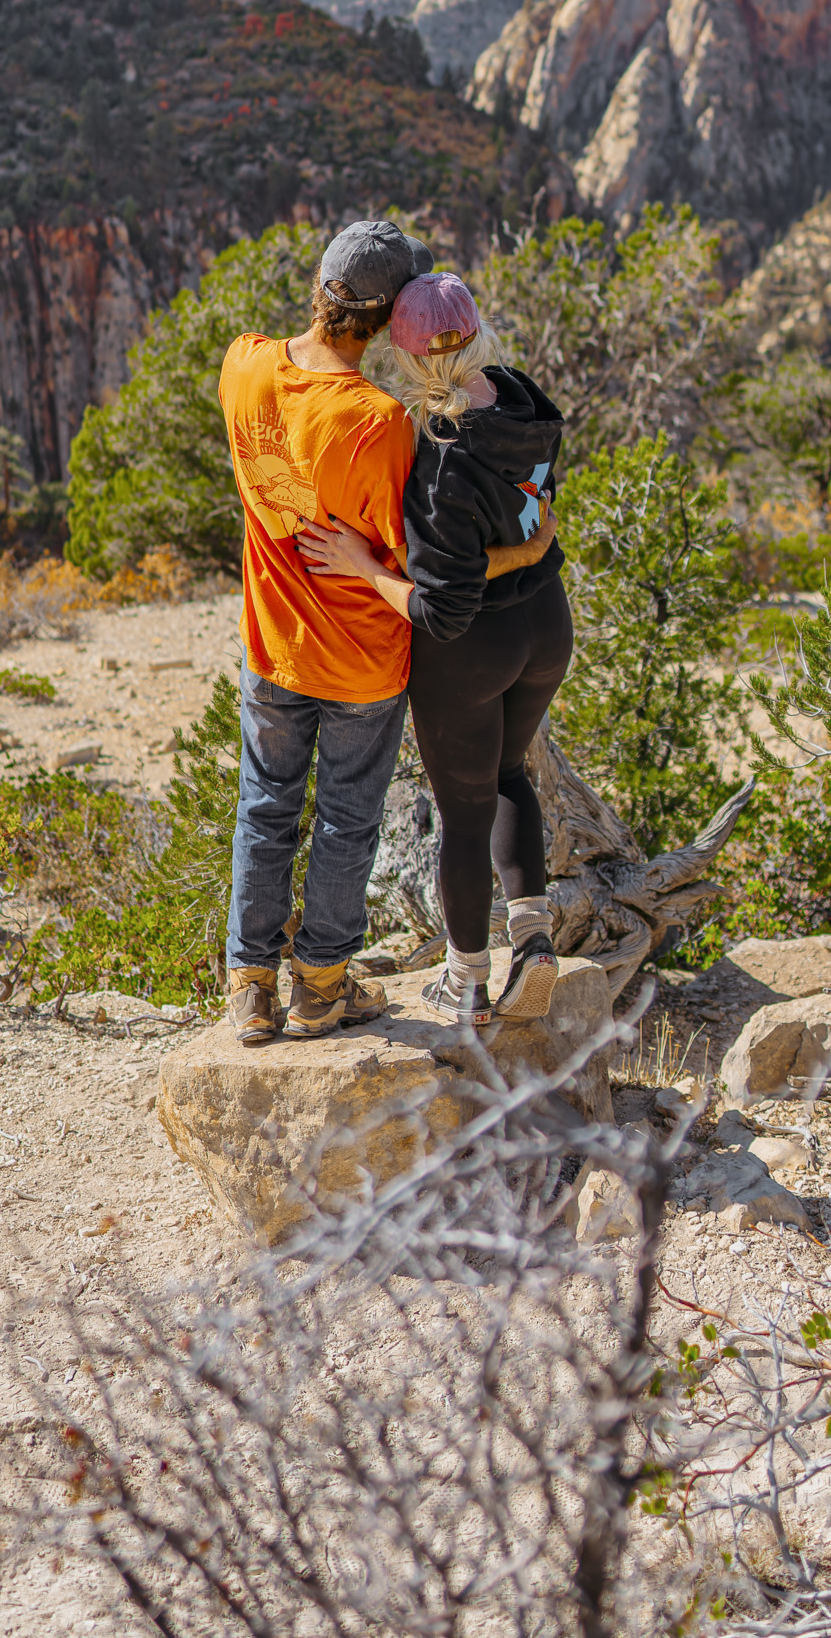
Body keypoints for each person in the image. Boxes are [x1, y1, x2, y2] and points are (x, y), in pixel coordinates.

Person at [217, 220, 555, 1050]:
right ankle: (322, 988)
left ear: (321, 290)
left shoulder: (243, 363)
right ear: (382, 323)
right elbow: (435, 555)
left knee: (264, 808)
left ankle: (249, 987)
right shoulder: (381, 422)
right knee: (345, 823)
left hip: (273, 644)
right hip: (364, 658)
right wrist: (530, 545)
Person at [296, 269, 570, 1030]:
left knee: (463, 808)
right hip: (546, 626)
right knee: (511, 772)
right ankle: (535, 941)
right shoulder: (524, 400)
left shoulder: (442, 455)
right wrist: (519, 555)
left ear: (410, 360)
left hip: (473, 651)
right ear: (477, 332)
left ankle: (468, 984)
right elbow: (531, 522)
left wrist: (365, 569)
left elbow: (442, 608)